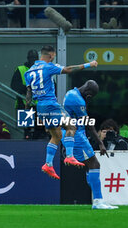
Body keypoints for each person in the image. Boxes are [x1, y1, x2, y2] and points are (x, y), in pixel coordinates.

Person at [24, 45, 98, 179]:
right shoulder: (48, 66)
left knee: (56, 136)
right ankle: (70, 156)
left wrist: (27, 109)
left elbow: (28, 95)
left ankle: (48, 164)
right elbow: (69, 69)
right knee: (71, 126)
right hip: (51, 104)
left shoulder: (28, 72)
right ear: (51, 55)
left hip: (40, 107)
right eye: (54, 56)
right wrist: (89, 64)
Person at [62, 80, 119, 209]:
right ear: (88, 93)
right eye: (91, 96)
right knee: (94, 163)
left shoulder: (71, 93)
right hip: (76, 135)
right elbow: (89, 124)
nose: (91, 99)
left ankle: (97, 200)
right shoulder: (78, 100)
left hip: (75, 133)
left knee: (90, 166)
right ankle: (98, 202)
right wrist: (100, 143)